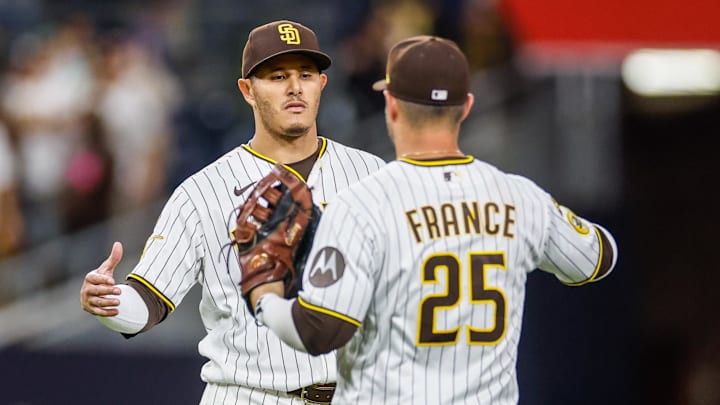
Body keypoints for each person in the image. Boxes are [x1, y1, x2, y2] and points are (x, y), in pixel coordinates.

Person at [246, 35, 619, 404]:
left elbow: (318, 331)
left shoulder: (362, 204)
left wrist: (265, 298)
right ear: (468, 106)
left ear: (391, 105)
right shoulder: (522, 199)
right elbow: (599, 257)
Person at [79, 20, 385, 404]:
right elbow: (148, 300)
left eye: (305, 74)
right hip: (251, 394)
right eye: (276, 76)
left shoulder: (372, 175)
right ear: (247, 90)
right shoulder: (204, 191)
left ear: (321, 84)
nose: (294, 87)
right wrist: (107, 302)